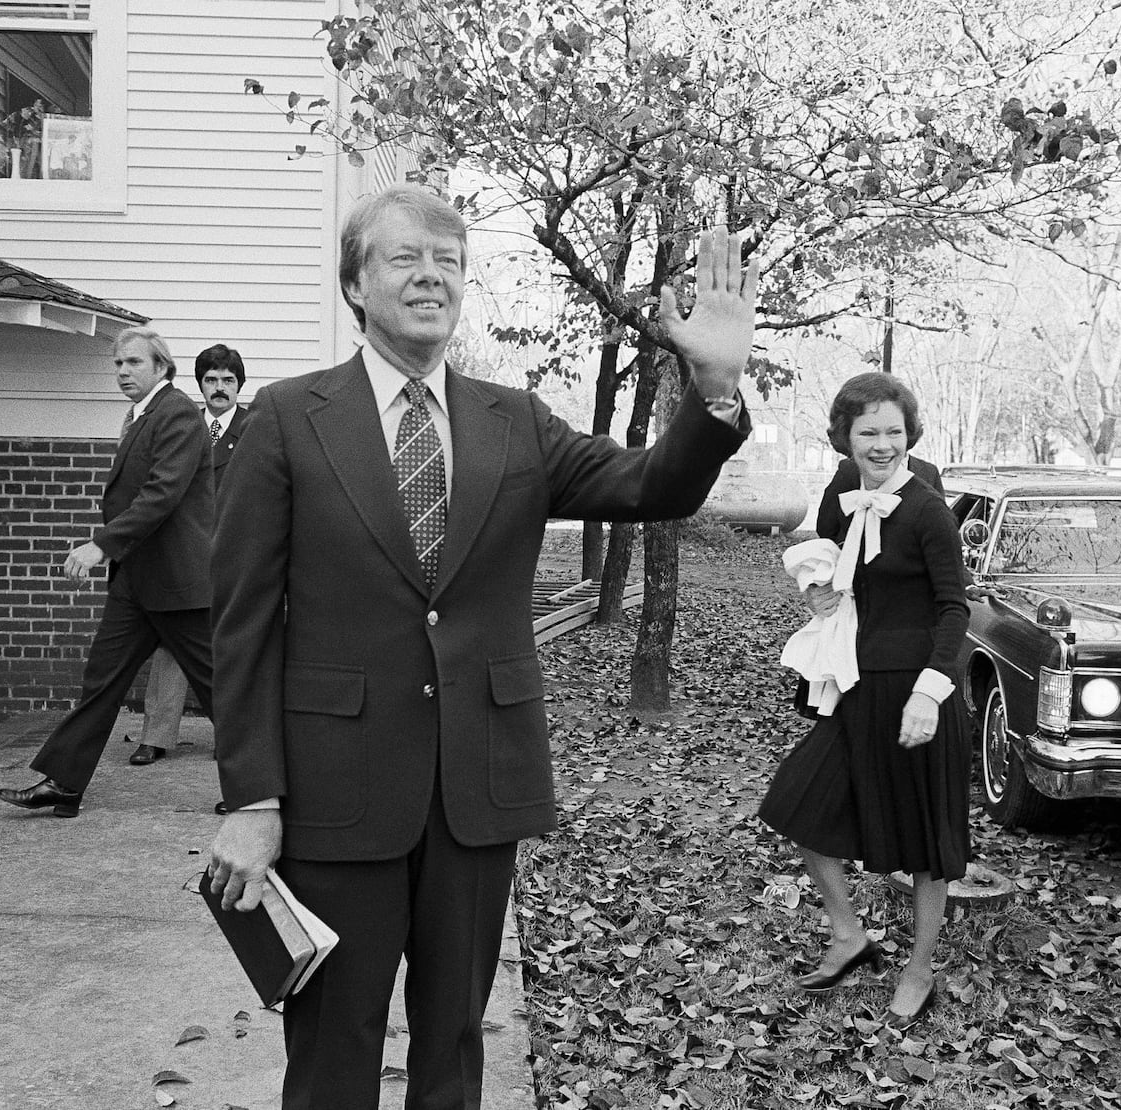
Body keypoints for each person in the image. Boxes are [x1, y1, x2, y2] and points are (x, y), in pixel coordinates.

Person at [202, 184, 758, 1109]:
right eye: (403, 258)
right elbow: (243, 626)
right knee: (335, 1049)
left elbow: (650, 485)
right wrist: (253, 800)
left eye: (448, 261)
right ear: (354, 285)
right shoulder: (287, 418)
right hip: (339, 794)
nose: (430, 276)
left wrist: (715, 390)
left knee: (455, 1044)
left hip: (477, 791)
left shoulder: (516, 422)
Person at [759, 372, 970, 1031]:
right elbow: (825, 565)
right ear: (844, 439)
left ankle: (919, 968)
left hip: (916, 691)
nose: (881, 444)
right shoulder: (842, 497)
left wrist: (929, 695)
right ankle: (849, 935)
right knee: (797, 804)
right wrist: (817, 592)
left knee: (924, 843)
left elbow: (955, 608)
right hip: (855, 687)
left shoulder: (928, 507)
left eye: (893, 432)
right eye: (867, 432)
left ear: (911, 435)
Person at [0, 327, 217, 817]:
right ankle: (65, 783)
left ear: (161, 367)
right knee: (101, 680)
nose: (122, 372)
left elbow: (161, 494)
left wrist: (101, 544)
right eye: (118, 364)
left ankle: (266, 791)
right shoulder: (142, 415)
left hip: (178, 583)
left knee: (222, 690)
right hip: (137, 582)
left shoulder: (177, 412)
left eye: (133, 363)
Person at [128, 343, 251, 766]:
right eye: (211, 380)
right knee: (172, 643)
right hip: (186, 555)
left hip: (237, 556)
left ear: (239, 386)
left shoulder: (255, 429)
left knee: (234, 645)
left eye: (228, 381)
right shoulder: (183, 425)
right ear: (199, 385)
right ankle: (156, 735)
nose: (219, 388)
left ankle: (232, 738)